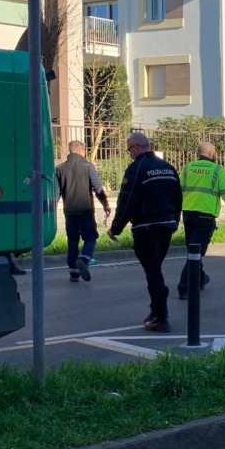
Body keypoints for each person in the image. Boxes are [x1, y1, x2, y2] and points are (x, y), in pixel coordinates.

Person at [107, 132, 182, 332]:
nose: (129, 154)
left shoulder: (137, 168)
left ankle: (161, 317)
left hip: (146, 228)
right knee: (155, 269)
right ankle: (155, 311)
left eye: (129, 150)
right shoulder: (168, 167)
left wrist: (115, 228)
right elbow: (178, 198)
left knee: (153, 272)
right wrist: (174, 222)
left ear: (136, 147)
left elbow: (127, 200)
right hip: (166, 226)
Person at [176, 141, 225, 300]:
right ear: (211, 153)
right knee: (195, 253)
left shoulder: (187, 168)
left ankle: (200, 279)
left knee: (193, 250)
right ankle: (184, 287)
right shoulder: (218, 170)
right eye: (214, 152)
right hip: (205, 216)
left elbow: (177, 190)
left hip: (188, 214)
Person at [55, 140, 111, 283]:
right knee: (90, 237)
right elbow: (97, 188)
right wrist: (105, 204)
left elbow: (56, 193)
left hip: (69, 211)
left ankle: (74, 273)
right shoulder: (88, 166)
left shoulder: (60, 169)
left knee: (72, 240)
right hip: (86, 209)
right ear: (82, 151)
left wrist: (52, 209)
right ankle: (84, 258)